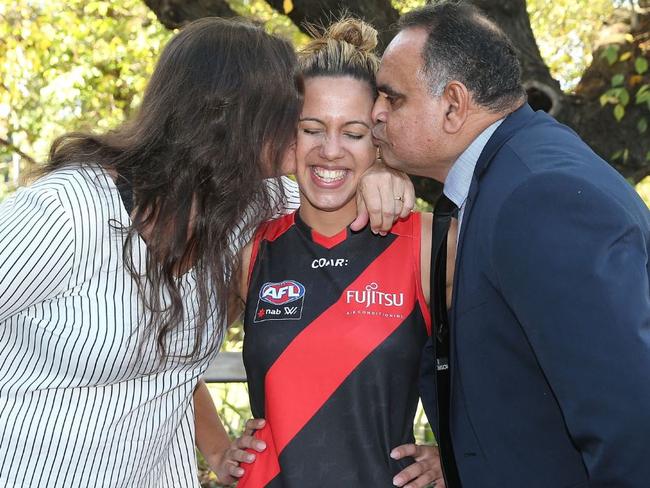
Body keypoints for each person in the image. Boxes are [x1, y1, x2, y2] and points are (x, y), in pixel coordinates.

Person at [0, 17, 414, 487]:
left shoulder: (248, 206)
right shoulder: (68, 211)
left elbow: (337, 182)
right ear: (229, 117)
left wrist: (386, 174)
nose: (298, 131)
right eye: (286, 112)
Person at [371, 2, 650, 488]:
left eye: (391, 99)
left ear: (453, 105)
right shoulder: (504, 177)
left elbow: (628, 417)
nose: (373, 114)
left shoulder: (539, 196)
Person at [221, 18, 453, 488]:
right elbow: (163, 359)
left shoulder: (429, 244)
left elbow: (520, 359)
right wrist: (216, 446)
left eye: (353, 132)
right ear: (288, 135)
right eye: (312, 128)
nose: (330, 151)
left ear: (379, 140)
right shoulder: (251, 249)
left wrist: (456, 457)